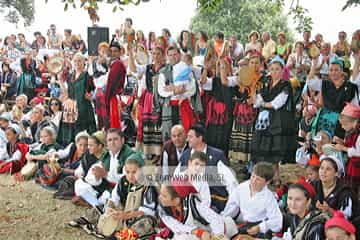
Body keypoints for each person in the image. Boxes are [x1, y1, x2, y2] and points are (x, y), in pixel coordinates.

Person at [251, 56, 296, 180]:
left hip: (277, 121)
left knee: (274, 153)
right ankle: (262, 176)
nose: (274, 72)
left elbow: (278, 103)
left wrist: (263, 104)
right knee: (262, 150)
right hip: (263, 120)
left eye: (277, 69)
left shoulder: (285, 85)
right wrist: (255, 95)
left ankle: (276, 178)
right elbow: (257, 100)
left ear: (282, 71)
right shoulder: (265, 84)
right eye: (272, 69)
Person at [177, 124, 236, 213]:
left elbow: (231, 183)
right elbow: (177, 179)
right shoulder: (185, 155)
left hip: (215, 202)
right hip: (189, 202)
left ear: (200, 138)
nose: (187, 139)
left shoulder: (217, 155)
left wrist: (230, 209)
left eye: (190, 137)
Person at [156, 179, 237, 240]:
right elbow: (176, 226)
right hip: (195, 234)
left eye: (164, 196)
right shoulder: (162, 209)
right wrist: (198, 232)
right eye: (160, 194)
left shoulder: (193, 204)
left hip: (213, 230)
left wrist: (216, 236)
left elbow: (214, 219)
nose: (160, 198)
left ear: (177, 199)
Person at [74, 128, 135, 207]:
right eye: (109, 140)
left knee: (108, 196)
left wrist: (106, 175)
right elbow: (94, 170)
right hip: (104, 186)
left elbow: (127, 179)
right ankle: (95, 203)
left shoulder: (129, 156)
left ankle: (94, 204)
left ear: (122, 140)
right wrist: (95, 176)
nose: (112, 143)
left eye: (115, 139)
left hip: (122, 189)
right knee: (79, 184)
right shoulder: (107, 155)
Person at [223, 162, 283, 239]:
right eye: (253, 176)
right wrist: (224, 220)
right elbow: (231, 206)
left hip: (259, 226)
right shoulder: (241, 188)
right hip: (244, 224)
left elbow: (277, 220)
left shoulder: (269, 197)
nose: (253, 181)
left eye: (258, 179)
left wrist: (260, 227)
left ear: (267, 182)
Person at [128, 44, 165, 162]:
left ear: (163, 55)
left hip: (161, 98)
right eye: (153, 54)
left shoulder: (167, 68)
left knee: (159, 124)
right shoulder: (148, 67)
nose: (156, 56)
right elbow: (134, 69)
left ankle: (160, 152)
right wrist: (130, 54)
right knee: (148, 124)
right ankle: (149, 151)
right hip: (149, 98)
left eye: (158, 54)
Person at [228, 51, 265, 162]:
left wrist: (256, 98)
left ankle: (252, 164)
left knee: (254, 137)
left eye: (257, 62)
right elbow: (228, 82)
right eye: (252, 62)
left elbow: (265, 94)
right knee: (244, 136)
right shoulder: (242, 76)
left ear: (261, 64)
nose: (254, 65)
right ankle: (246, 162)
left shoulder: (264, 78)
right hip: (243, 110)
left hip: (257, 110)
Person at [157, 46, 196, 140]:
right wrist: (174, 91)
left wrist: (178, 89)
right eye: (170, 55)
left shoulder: (187, 70)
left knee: (183, 133)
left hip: (183, 105)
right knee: (168, 134)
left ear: (179, 55)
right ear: (167, 57)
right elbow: (161, 91)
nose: (172, 57)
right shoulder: (163, 72)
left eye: (175, 54)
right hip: (169, 106)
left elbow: (193, 89)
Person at [57, 53, 96, 145]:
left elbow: (93, 91)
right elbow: (66, 93)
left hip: (83, 106)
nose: (77, 63)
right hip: (71, 107)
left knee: (83, 132)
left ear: (84, 62)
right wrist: (60, 81)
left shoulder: (87, 75)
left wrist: (91, 96)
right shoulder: (70, 76)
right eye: (75, 61)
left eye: (79, 60)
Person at [333, 103, 360, 198]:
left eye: (345, 124)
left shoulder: (358, 134)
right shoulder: (350, 132)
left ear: (355, 122)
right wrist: (341, 142)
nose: (342, 127)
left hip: (357, 167)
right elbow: (349, 145)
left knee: (354, 189)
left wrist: (343, 148)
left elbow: (357, 152)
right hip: (351, 165)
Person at [104, 41, 127, 130]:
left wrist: (106, 100)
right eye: (111, 51)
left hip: (113, 97)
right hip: (114, 97)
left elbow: (111, 84)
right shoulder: (113, 64)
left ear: (120, 52)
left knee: (114, 124)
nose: (113, 53)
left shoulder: (118, 64)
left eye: (115, 51)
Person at [88, 42, 110, 130]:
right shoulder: (94, 62)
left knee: (107, 114)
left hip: (107, 89)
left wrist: (106, 63)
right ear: (99, 51)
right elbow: (91, 72)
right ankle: (101, 131)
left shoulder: (110, 61)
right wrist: (96, 62)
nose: (104, 52)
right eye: (102, 50)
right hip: (98, 90)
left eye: (106, 50)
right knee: (99, 113)